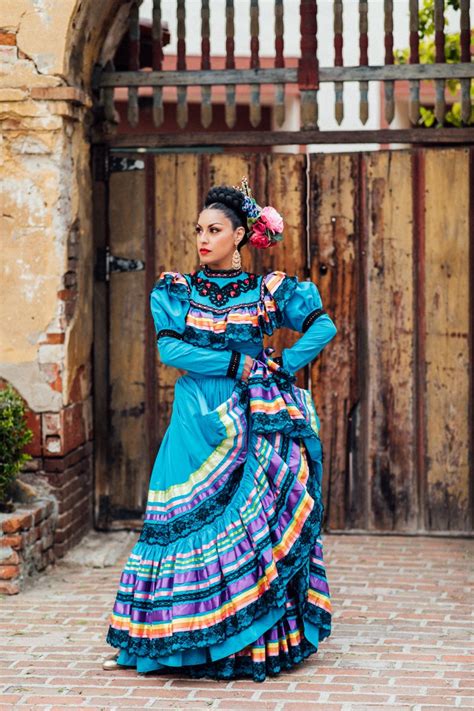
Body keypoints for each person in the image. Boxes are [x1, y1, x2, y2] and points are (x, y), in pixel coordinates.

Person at [103, 179, 337, 682]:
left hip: (248, 416)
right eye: (198, 230)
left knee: (250, 524)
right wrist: (242, 363)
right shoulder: (177, 290)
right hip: (194, 416)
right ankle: (176, 642)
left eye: (214, 230)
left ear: (239, 236)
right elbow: (171, 351)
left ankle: (244, 642)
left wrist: (283, 363)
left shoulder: (268, 290)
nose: (203, 239)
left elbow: (323, 325)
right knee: (180, 521)